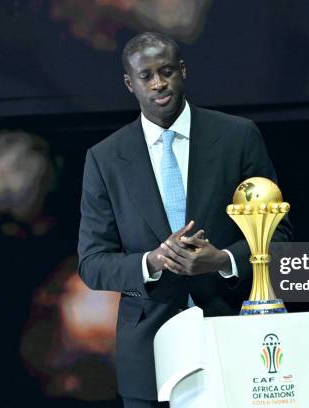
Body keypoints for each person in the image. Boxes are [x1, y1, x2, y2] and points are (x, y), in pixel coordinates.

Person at [77, 32, 292, 408]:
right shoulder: (105, 158)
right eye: (146, 76)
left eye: (167, 71)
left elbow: (281, 236)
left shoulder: (237, 136)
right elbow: (93, 263)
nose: (158, 83)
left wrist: (223, 261)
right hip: (150, 355)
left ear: (183, 72)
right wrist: (153, 262)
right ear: (130, 83)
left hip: (236, 340)